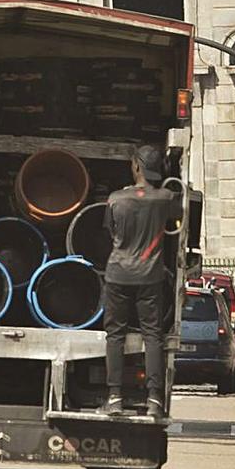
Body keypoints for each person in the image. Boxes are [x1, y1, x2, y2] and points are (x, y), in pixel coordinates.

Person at [100, 145, 178, 418]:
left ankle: (114, 398)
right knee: (152, 335)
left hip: (118, 273)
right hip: (150, 275)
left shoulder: (115, 199)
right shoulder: (166, 198)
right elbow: (180, 213)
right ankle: (154, 399)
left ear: (136, 167)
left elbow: (109, 232)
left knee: (115, 335)